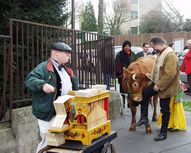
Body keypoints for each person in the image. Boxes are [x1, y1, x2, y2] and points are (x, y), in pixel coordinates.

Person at [24, 42, 78, 153]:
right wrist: (42, 85)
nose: (69, 55)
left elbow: (73, 88)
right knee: (47, 143)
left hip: (63, 113)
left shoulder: (66, 70)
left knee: (60, 143)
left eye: (69, 53)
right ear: (56, 53)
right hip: (49, 114)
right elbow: (29, 80)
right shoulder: (43, 67)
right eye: (66, 53)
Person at [138, 37, 179, 141]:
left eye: (153, 46)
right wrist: (150, 77)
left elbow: (170, 74)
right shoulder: (161, 53)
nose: (153, 49)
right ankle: (144, 118)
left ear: (158, 45)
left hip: (166, 87)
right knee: (145, 93)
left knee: (164, 109)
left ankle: (163, 132)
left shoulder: (170, 55)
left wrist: (158, 86)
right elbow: (157, 69)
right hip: (157, 83)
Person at [115, 40, 137, 108]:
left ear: (130, 47)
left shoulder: (133, 54)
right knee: (123, 89)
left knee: (131, 89)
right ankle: (123, 103)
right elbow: (117, 65)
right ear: (123, 47)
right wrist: (120, 74)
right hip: (123, 75)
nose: (127, 47)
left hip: (132, 75)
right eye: (125, 46)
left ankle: (130, 103)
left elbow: (136, 64)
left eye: (128, 46)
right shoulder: (119, 54)